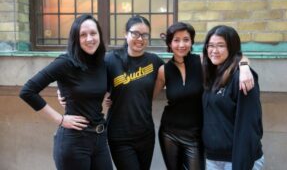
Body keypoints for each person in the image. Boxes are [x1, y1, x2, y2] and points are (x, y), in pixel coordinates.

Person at [153, 22, 255, 170]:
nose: (181, 44)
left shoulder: (202, 60)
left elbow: (236, 56)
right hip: (169, 132)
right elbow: (148, 97)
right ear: (169, 43)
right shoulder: (163, 70)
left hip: (196, 135)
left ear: (192, 42)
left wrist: (245, 67)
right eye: (176, 40)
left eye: (186, 39)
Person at [19, 14, 113, 170]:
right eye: (83, 35)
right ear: (75, 38)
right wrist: (60, 119)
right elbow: (28, 91)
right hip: (74, 141)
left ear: (99, 36)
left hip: (100, 138)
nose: (89, 39)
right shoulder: (65, 62)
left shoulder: (102, 63)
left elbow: (105, 88)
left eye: (93, 33)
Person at [105, 15, 164, 170]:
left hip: (146, 133)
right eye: (135, 33)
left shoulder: (154, 61)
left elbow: (178, 74)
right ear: (126, 34)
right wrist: (65, 93)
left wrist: (238, 64)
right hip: (119, 135)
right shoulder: (111, 59)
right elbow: (88, 79)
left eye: (145, 35)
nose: (140, 39)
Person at [201, 25, 264, 170]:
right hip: (213, 159)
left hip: (237, 160)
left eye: (221, 45)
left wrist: (241, 164)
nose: (214, 50)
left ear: (232, 47)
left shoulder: (242, 78)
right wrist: (244, 63)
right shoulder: (211, 73)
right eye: (210, 45)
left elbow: (249, 125)